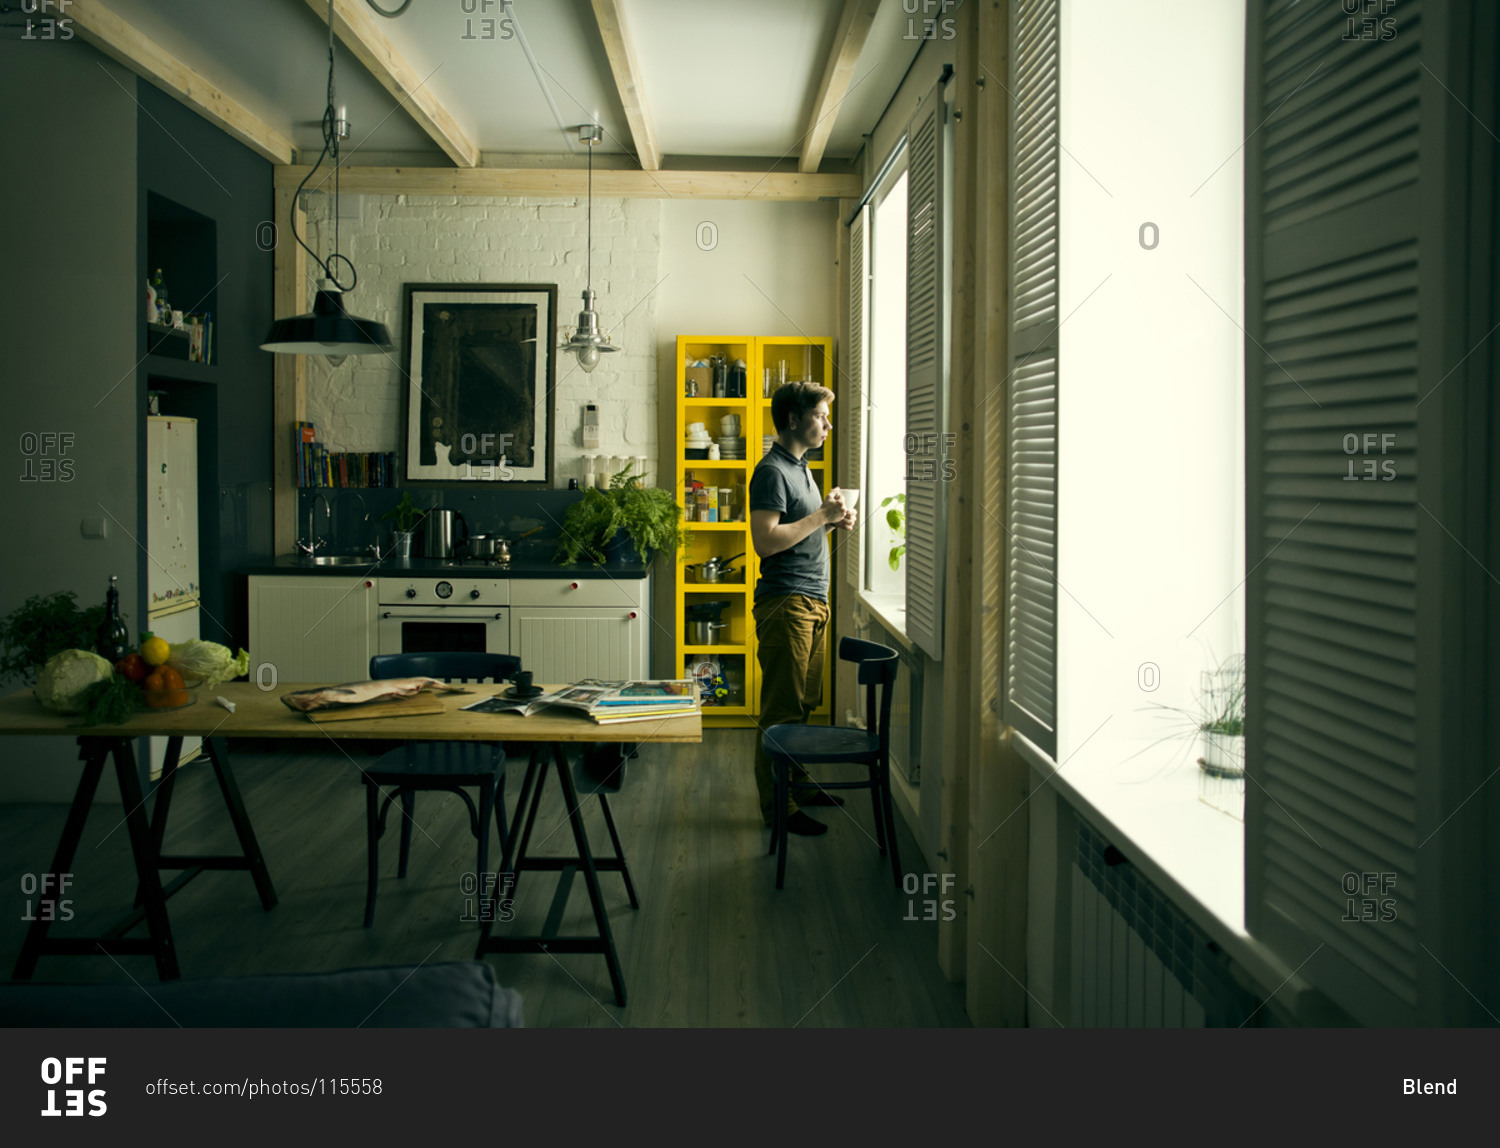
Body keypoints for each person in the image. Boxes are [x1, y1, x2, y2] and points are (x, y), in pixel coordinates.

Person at [748, 381, 856, 836]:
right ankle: (779, 808)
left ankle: (798, 782)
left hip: (813, 601)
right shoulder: (771, 471)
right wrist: (821, 517)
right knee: (781, 710)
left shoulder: (803, 469)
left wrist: (832, 520)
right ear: (793, 419)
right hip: (787, 603)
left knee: (804, 703)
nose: (828, 425)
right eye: (820, 416)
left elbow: (801, 534)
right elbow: (766, 542)